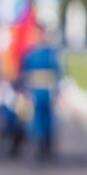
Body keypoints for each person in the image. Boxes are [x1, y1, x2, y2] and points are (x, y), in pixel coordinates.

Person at [19, 27, 62, 162]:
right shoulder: (30, 53)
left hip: (47, 88)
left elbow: (56, 71)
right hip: (34, 88)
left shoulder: (50, 53)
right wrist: (24, 89)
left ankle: (47, 144)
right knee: (35, 117)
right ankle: (37, 142)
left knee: (47, 117)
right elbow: (25, 72)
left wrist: (57, 90)